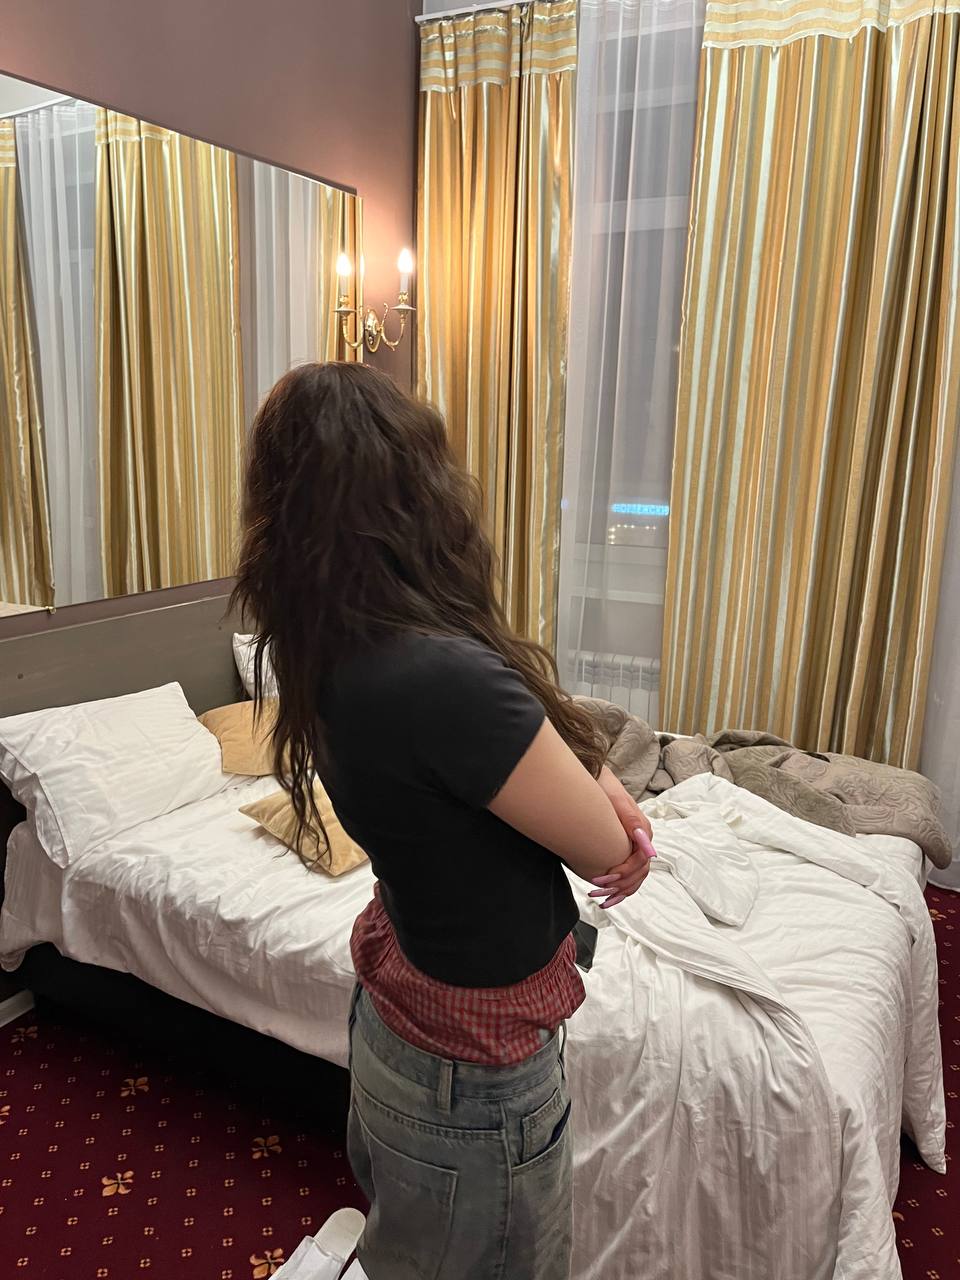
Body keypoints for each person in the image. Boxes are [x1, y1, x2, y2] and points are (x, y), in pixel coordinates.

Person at [233, 362, 656, 1280]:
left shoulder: (327, 643)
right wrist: (605, 794)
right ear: (410, 492)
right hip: (470, 1077)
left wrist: (588, 769)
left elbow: (522, 754)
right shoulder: (437, 675)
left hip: (402, 1021)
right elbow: (606, 847)